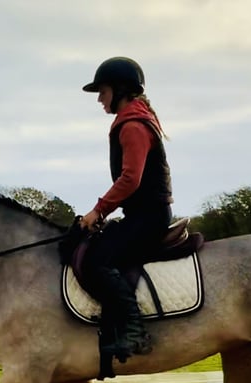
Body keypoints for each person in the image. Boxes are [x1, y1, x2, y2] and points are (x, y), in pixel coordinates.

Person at [80, 56, 173, 360]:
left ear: (120, 90)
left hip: (148, 217)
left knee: (98, 262)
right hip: (142, 214)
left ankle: (133, 330)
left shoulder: (132, 125)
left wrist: (99, 211)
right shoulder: (133, 120)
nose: (99, 98)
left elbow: (130, 179)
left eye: (102, 91)